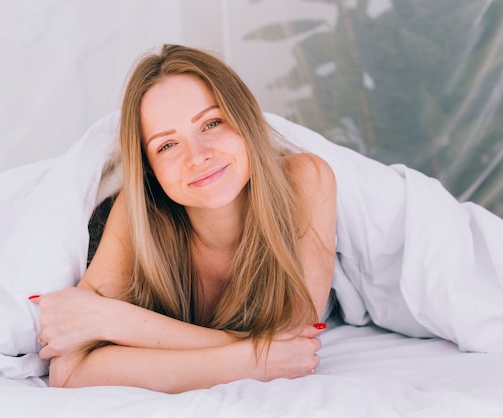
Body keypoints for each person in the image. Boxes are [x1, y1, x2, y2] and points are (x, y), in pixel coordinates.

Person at [29, 44, 338, 393]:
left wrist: (116, 321)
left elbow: (296, 338)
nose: (199, 156)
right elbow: (68, 373)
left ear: (246, 119)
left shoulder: (305, 178)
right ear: (151, 168)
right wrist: (249, 361)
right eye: (167, 145)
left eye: (212, 123)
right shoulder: (139, 211)